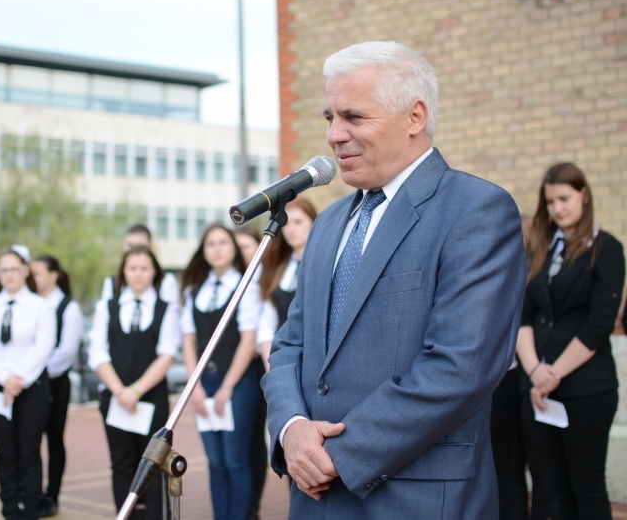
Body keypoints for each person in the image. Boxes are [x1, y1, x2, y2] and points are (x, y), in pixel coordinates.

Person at [262, 41, 527, 519]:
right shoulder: (328, 223)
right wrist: (292, 428)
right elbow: (289, 345)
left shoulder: (476, 211)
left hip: (415, 499)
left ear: (415, 116)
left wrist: (337, 456)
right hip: (315, 500)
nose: (334, 135)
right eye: (329, 118)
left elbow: (461, 366)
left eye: (353, 117)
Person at [517, 162, 624, 520]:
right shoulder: (543, 251)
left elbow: (598, 325)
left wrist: (552, 374)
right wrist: (534, 372)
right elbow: (524, 315)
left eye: (564, 198)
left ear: (584, 195)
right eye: (550, 202)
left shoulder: (606, 249)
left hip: (585, 388)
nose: (557, 208)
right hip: (538, 389)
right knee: (553, 485)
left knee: (587, 485)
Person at [88, 245, 181, 520]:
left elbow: (166, 354)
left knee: (153, 464)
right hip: (115, 399)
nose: (138, 274)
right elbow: (98, 352)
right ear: (123, 272)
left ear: (154, 272)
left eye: (144, 268)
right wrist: (120, 391)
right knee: (122, 464)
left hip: (152, 399)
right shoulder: (108, 306)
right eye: (132, 268)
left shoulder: (166, 308)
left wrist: (137, 390)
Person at [181, 224, 261, 520]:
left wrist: (227, 387)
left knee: (235, 460)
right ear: (203, 251)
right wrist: (195, 387)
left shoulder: (246, 285)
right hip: (205, 383)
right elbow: (188, 342)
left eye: (223, 243)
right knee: (215, 462)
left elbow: (248, 340)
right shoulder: (193, 291)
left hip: (236, 383)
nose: (217, 249)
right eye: (211, 244)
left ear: (233, 249)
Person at [0, 245, 55, 520]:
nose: (8, 275)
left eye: (14, 269)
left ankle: (30, 511)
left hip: (31, 387)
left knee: (29, 453)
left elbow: (44, 345)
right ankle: (9, 510)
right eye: (3, 270)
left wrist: (18, 378)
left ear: (25, 271)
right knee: (5, 454)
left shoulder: (40, 306)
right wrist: (3, 377)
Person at [489, 215, 548, 520]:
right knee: (508, 464)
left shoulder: (536, 282)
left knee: (532, 466)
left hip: (530, 379)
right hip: (506, 379)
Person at [30, 255, 84, 518]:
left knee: (53, 439)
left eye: (37, 273)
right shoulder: (32, 303)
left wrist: (36, 371)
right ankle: (31, 492)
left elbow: (66, 351)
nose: (33, 278)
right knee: (29, 440)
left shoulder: (67, 307)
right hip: (30, 382)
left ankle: (51, 496)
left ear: (53, 275)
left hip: (53, 382)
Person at [257, 198, 318, 367]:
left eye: (298, 222)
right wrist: (271, 365)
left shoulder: (325, 264)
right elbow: (267, 323)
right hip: (279, 357)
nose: (291, 229)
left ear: (314, 222)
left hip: (313, 358)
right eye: (287, 224)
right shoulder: (276, 268)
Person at [233, 223, 267, 520]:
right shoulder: (232, 279)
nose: (240, 253)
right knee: (245, 440)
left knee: (257, 438)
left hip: (261, 364)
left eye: (245, 246)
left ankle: (252, 504)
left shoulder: (263, 276)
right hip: (243, 367)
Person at [100, 223, 179, 304]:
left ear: (150, 247)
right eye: (130, 246)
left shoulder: (166, 282)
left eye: (140, 246)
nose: (135, 251)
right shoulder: (112, 283)